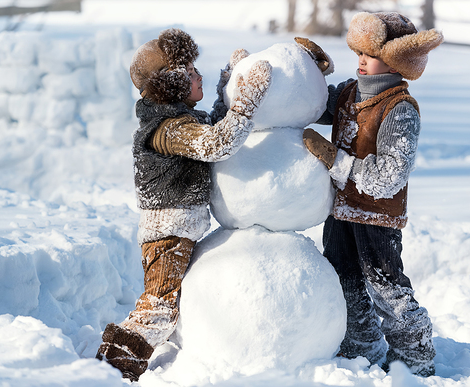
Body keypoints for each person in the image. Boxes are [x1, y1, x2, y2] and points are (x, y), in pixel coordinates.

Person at [95, 28, 272, 381]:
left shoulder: (181, 120)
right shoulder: (168, 129)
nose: (198, 75)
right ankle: (111, 368)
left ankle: (115, 362)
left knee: (164, 303)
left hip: (179, 233)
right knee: (158, 307)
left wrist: (228, 82)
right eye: (190, 73)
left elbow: (216, 123)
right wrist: (247, 102)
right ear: (172, 84)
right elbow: (216, 143)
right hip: (167, 236)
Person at [302, 12, 443, 377]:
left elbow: (388, 178)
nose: (361, 60)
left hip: (377, 219)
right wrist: (310, 69)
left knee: (386, 291)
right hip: (341, 212)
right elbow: (316, 104)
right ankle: (360, 350)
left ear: (397, 59)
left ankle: (415, 359)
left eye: (370, 54)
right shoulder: (350, 92)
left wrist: (335, 159)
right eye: (358, 52)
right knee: (343, 282)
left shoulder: (399, 110)